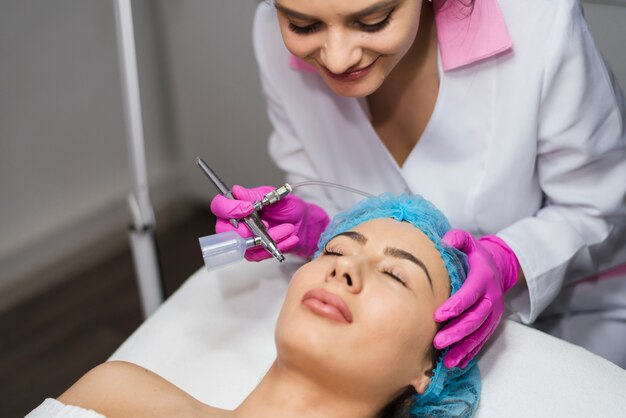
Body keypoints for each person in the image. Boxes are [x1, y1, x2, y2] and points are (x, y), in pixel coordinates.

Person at [211, 0, 626, 367]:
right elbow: (319, 186)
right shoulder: (269, 33)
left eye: (373, 20)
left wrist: (510, 262)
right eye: (303, 26)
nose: (337, 59)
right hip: (393, 339)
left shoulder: (541, 23)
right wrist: (314, 229)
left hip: (577, 309)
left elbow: (596, 206)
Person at [28, 194, 481, 418]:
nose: (345, 271)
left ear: (431, 368)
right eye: (335, 251)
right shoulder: (116, 396)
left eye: (395, 275)